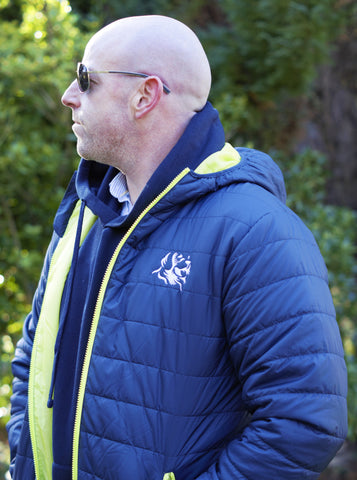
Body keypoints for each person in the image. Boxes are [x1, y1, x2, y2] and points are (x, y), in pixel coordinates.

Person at [7, 14, 347, 480]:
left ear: (144, 95)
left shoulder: (255, 229)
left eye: (86, 79)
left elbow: (305, 423)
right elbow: (33, 357)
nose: (68, 95)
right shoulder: (84, 214)